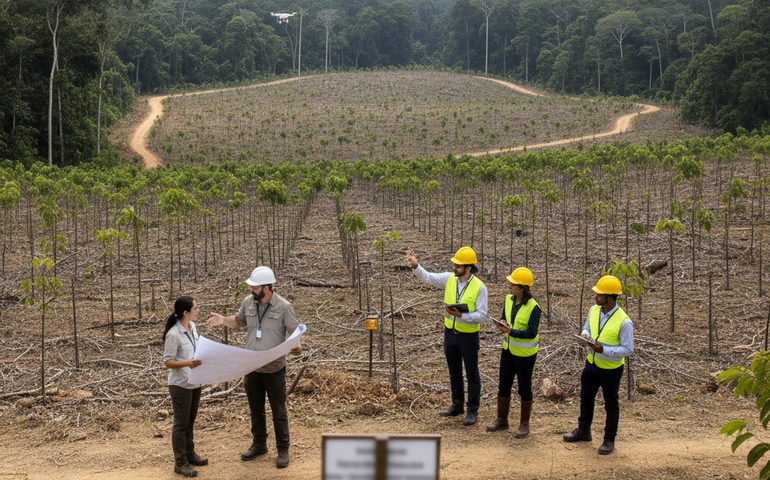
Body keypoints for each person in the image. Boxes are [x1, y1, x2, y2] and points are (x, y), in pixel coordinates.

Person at [206, 266, 301, 468]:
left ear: (267, 288)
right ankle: (259, 444)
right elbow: (238, 321)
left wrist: (296, 345)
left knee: (279, 410)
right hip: (251, 368)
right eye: (251, 287)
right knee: (255, 410)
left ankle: (283, 448)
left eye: (255, 288)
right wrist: (222, 320)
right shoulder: (249, 302)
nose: (251, 290)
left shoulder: (284, 306)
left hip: (274, 368)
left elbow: (295, 331)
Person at [406, 246, 487, 426]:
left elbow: (482, 315)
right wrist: (415, 266)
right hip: (450, 333)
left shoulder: (480, 287)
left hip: (468, 337)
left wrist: (462, 316)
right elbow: (428, 277)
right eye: (455, 265)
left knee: (472, 374)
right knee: (454, 372)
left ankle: (472, 410)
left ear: (468, 268)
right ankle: (457, 405)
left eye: (458, 266)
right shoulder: (450, 279)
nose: (454, 268)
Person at [563, 275, 634, 455]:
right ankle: (584, 430)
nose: (596, 297)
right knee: (586, 398)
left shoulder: (624, 322)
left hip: (611, 370)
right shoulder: (594, 310)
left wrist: (605, 350)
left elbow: (628, 349)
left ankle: (609, 440)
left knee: (611, 405)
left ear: (609, 298)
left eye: (599, 295)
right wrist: (584, 336)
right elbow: (587, 327)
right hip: (592, 364)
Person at [487, 267, 541, 437]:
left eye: (513, 284)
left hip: (525, 355)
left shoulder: (534, 307)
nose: (509, 286)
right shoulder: (508, 300)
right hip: (508, 351)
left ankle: (524, 424)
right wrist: (502, 323)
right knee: (504, 385)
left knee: (524, 388)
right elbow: (505, 317)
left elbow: (532, 332)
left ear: (522, 288)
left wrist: (512, 332)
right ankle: (502, 420)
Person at [163, 296, 207, 478]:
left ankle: (190, 454)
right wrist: (187, 363)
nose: (198, 310)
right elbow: (168, 362)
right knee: (180, 424)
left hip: (194, 382)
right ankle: (180, 463)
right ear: (185, 312)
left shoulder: (193, 327)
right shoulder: (173, 334)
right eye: (195, 308)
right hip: (180, 385)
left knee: (190, 421)